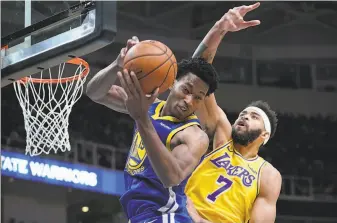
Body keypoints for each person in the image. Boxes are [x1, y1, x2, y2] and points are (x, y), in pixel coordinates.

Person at [86, 37, 219, 222]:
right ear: (172, 82)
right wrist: (117, 64)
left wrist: (142, 118)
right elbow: (95, 92)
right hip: (141, 215)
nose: (189, 101)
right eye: (187, 90)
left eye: (198, 97)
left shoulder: (194, 136)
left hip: (166, 216)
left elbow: (172, 177)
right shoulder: (148, 105)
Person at [184, 3, 282, 223]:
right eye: (243, 113)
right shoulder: (222, 137)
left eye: (254, 117)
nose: (244, 116)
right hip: (183, 216)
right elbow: (198, 73)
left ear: (264, 136)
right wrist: (219, 29)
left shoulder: (268, 175)